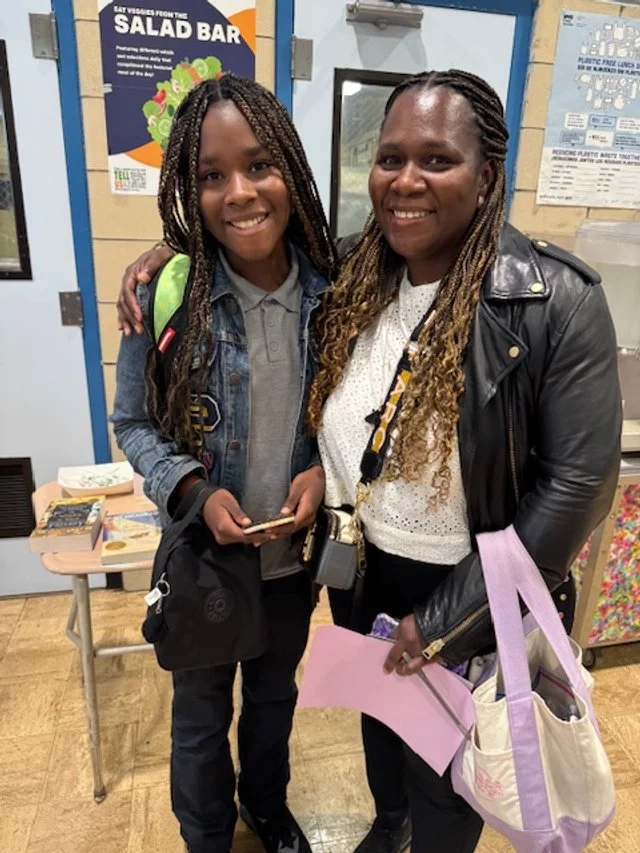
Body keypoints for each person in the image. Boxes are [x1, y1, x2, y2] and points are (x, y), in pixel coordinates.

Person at [116, 70, 621, 853]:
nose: (407, 180)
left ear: (486, 174)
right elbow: (254, 247)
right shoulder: (362, 270)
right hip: (354, 568)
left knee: (449, 772)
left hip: (463, 588)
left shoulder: (549, 298)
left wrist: (451, 616)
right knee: (379, 737)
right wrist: (172, 247)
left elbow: (579, 485)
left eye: (436, 159)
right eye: (390, 158)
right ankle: (381, 831)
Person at [112, 73, 336, 853]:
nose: (238, 192)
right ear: (188, 186)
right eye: (211, 175)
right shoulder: (168, 291)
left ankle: (265, 810)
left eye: (259, 165)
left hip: (290, 563)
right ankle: (205, 833)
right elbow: (132, 422)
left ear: (293, 172)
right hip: (208, 562)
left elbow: (354, 413)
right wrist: (196, 490)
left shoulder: (334, 290)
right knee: (202, 715)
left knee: (274, 701)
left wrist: (324, 474)